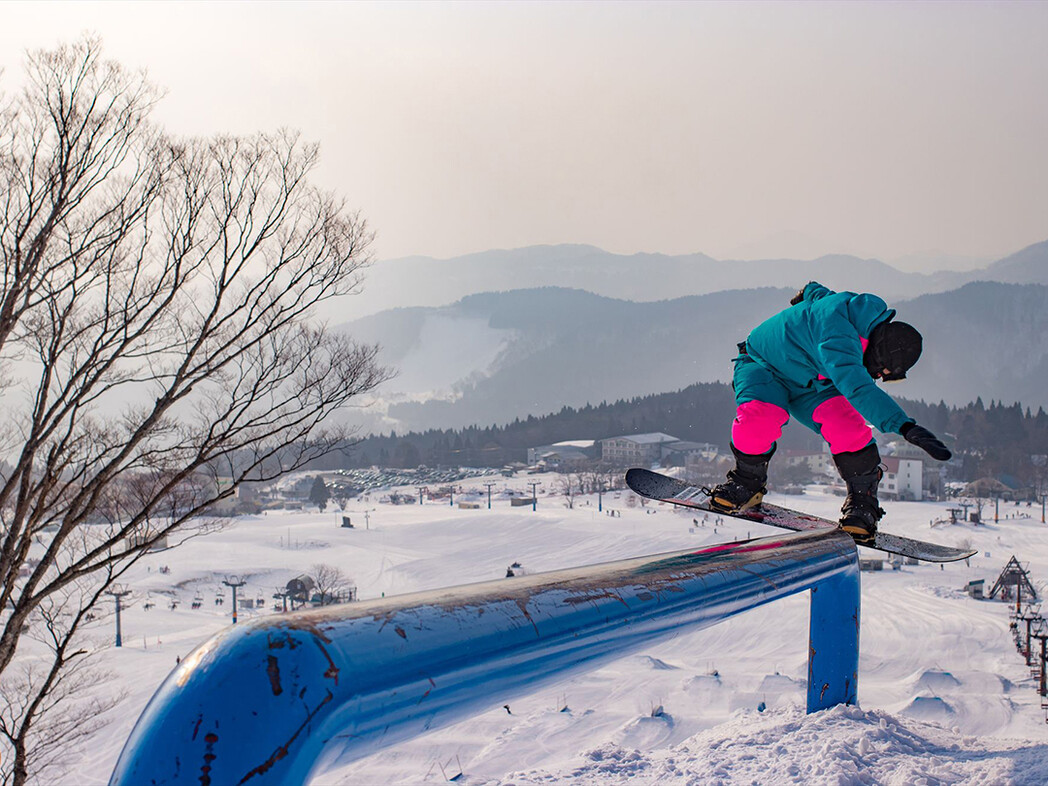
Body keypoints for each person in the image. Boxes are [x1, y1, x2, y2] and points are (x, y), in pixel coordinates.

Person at [709, 281, 951, 542]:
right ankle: (747, 481)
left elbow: (821, 295)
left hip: (815, 380)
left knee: (846, 425)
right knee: (758, 418)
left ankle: (862, 501)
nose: (878, 377)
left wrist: (809, 290)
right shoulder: (839, 338)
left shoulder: (858, 316)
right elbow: (857, 388)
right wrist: (905, 426)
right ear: (881, 355)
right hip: (764, 366)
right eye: (882, 373)